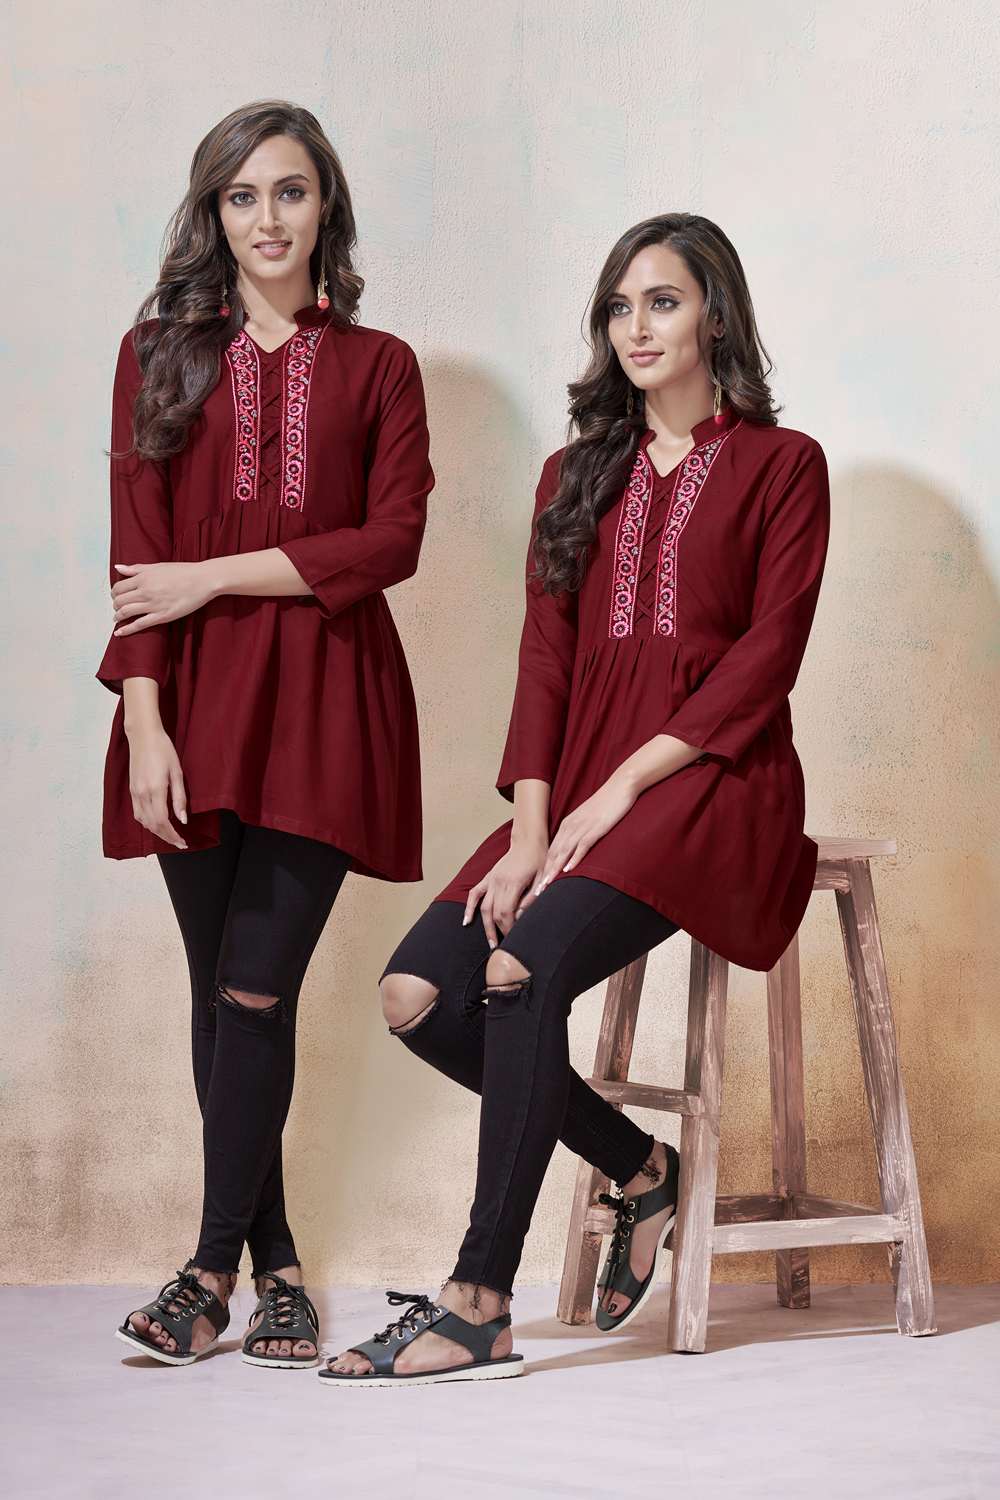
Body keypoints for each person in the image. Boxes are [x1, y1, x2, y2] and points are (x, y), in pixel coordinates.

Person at [321, 212, 830, 1387]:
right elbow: (545, 661)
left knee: (515, 972)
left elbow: (766, 657)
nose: (635, 326)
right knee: (415, 995)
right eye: (618, 306)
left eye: (662, 301)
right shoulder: (575, 475)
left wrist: (621, 791)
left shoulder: (781, 464)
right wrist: (533, 826)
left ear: (715, 315)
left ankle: (477, 1303)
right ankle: (639, 1169)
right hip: (580, 792)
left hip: (712, 782)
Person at [98, 101, 434, 1368]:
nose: (267, 219)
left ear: (324, 204)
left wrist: (212, 576)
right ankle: (278, 1271)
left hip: (330, 703)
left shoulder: (381, 366)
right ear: (214, 213)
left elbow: (391, 541)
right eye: (241, 197)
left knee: (252, 985)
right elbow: (135, 554)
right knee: (230, 998)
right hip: (189, 704)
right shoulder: (155, 355)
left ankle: (204, 1275)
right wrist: (144, 723)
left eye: (289, 192)